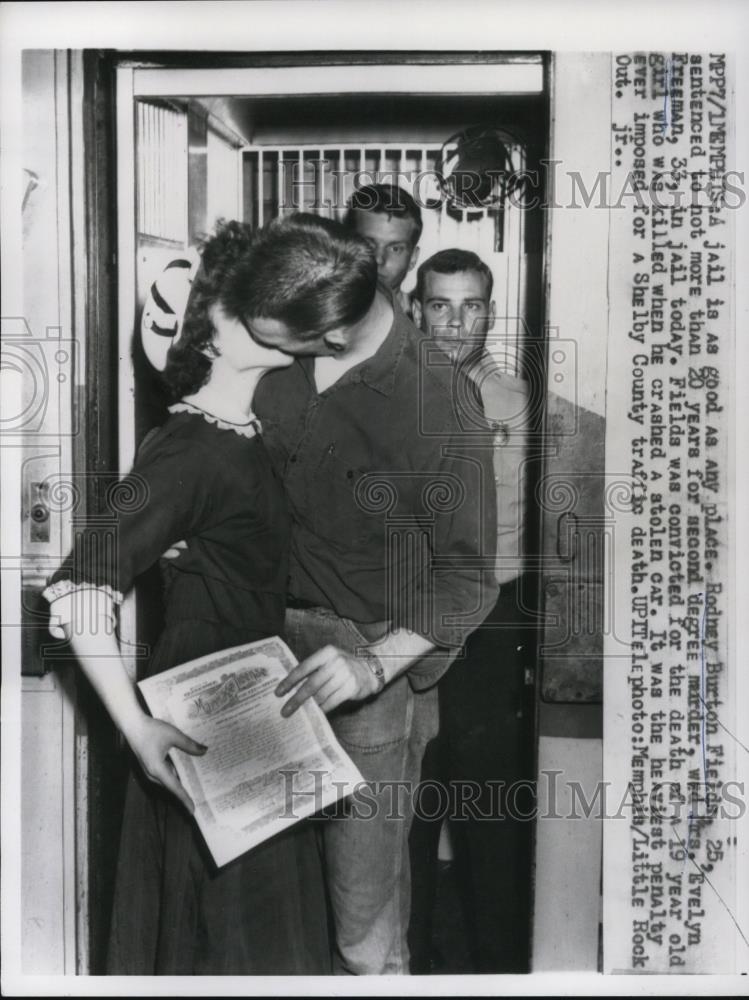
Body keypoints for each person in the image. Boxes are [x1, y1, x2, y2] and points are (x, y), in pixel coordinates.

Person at [42, 221, 331, 975]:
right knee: (233, 946)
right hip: (209, 707)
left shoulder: (246, 429)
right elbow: (78, 589)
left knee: (258, 942)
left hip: (256, 699)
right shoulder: (187, 449)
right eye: (254, 307)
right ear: (211, 329)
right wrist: (138, 732)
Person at [220, 213, 498, 975]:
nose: (266, 354)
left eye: (282, 342)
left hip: (365, 658)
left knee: (362, 920)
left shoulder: (439, 407)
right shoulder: (289, 351)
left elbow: (468, 577)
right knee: (259, 889)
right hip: (255, 644)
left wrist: (373, 666)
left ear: (333, 331)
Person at [409, 248, 535, 973]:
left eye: (472, 305)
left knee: (487, 802)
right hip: (410, 611)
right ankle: (409, 961)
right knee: (408, 801)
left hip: (492, 616)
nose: (455, 322)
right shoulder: (388, 396)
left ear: (490, 310)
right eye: (438, 305)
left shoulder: (517, 400)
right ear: (414, 307)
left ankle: (494, 965)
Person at [344, 183, 422, 315]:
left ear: (413, 257)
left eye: (395, 249)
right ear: (346, 245)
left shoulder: (426, 323)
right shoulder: (317, 322)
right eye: (368, 244)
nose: (379, 259)